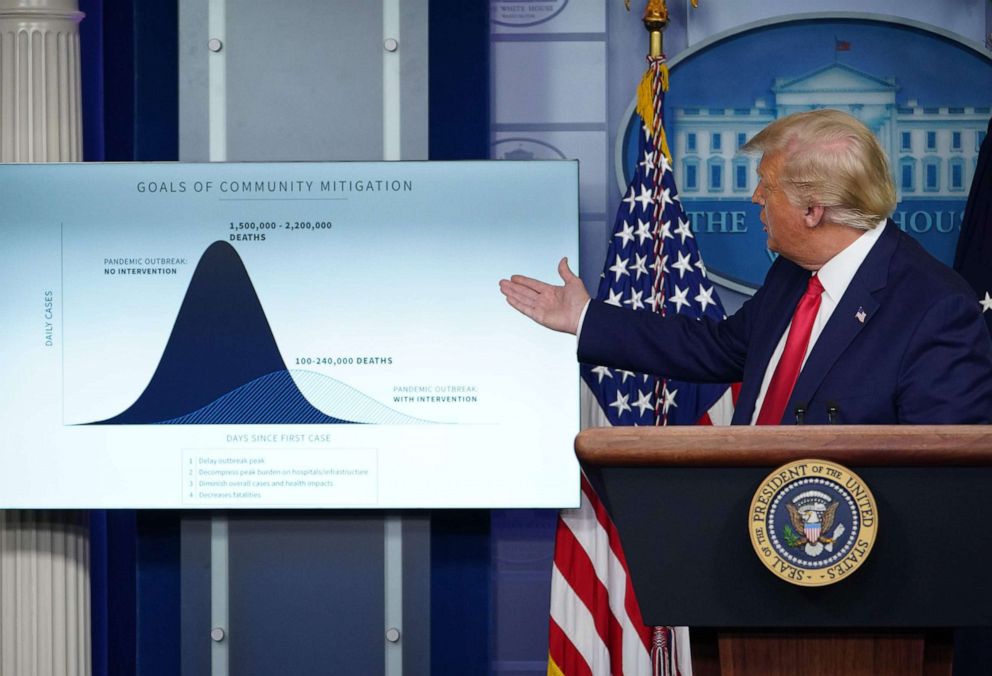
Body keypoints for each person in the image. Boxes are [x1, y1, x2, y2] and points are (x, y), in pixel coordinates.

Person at [499, 109, 992, 424]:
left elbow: (938, 481)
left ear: (812, 210)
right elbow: (718, 349)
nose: (755, 196)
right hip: (748, 533)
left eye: (767, 185)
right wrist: (586, 318)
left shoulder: (936, 309)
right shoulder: (796, 271)